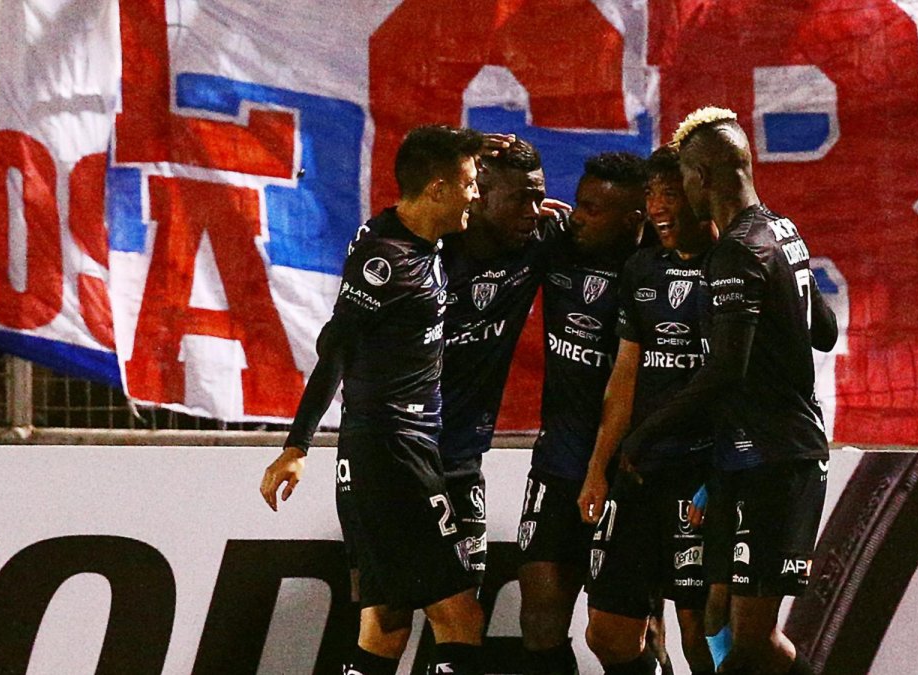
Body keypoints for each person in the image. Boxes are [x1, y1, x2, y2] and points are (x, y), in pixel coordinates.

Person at [617, 107, 838, 675]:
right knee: (717, 619)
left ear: (706, 177)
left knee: (748, 646)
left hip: (776, 460)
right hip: (746, 458)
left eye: (685, 177)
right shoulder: (781, 230)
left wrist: (643, 434)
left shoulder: (737, 250)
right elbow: (825, 330)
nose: (680, 191)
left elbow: (724, 373)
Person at [260, 124, 487, 675]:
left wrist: (478, 147)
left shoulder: (398, 233)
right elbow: (336, 350)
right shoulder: (386, 260)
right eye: (470, 183)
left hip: (381, 453)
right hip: (392, 454)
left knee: (386, 623)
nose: (476, 194)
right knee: (460, 619)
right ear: (436, 189)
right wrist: (297, 446)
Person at [577, 144, 717, 675]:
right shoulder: (641, 269)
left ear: (701, 194)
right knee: (608, 633)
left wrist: (720, 478)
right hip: (638, 474)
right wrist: (597, 469)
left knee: (703, 636)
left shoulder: (736, 262)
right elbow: (626, 374)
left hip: (703, 473)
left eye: (672, 193)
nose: (659, 206)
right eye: (653, 194)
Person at [516, 152, 656, 675]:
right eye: (581, 202)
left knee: (617, 638)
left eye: (595, 210)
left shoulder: (657, 272)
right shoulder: (555, 248)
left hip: (627, 472)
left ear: (632, 220)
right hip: (558, 460)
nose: (578, 215)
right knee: (540, 619)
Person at [438, 137, 560, 589]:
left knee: (465, 601)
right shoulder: (424, 248)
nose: (533, 210)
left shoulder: (542, 241)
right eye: (520, 199)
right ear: (479, 195)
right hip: (395, 454)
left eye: (538, 197)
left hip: (462, 458)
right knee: (383, 615)